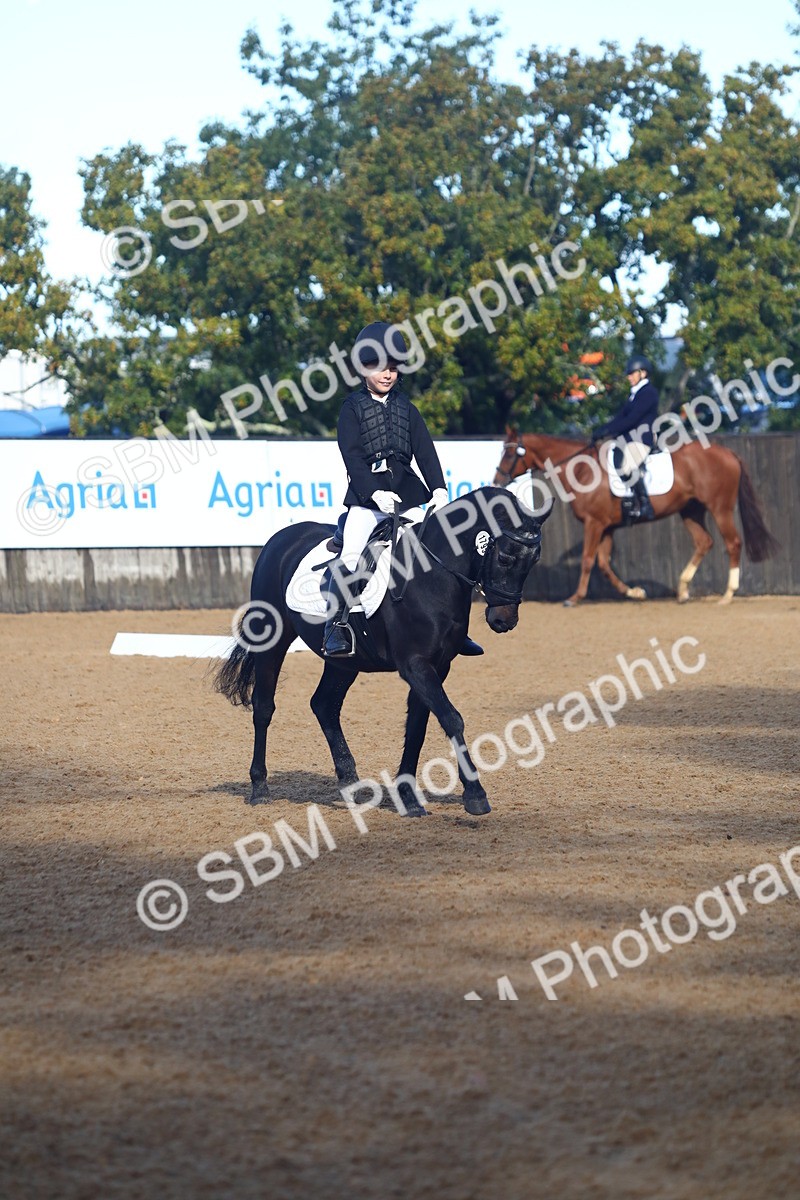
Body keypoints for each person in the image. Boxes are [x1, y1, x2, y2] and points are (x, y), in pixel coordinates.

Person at [323, 321, 483, 658]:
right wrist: (372, 493)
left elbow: (425, 451)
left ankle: (456, 628)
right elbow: (351, 456)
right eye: (380, 367)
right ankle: (336, 625)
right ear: (364, 368)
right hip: (368, 499)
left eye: (393, 368)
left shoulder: (407, 408)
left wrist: (438, 489)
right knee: (352, 553)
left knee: (439, 550)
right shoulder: (351, 408)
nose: (387, 375)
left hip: (408, 493)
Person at [591, 355, 659, 522]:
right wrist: (603, 429)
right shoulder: (634, 394)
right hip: (629, 439)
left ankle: (645, 505)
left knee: (627, 466)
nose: (628, 377)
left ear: (642, 373)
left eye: (631, 373)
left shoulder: (648, 393)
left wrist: (609, 431)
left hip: (642, 439)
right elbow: (621, 417)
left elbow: (632, 420)